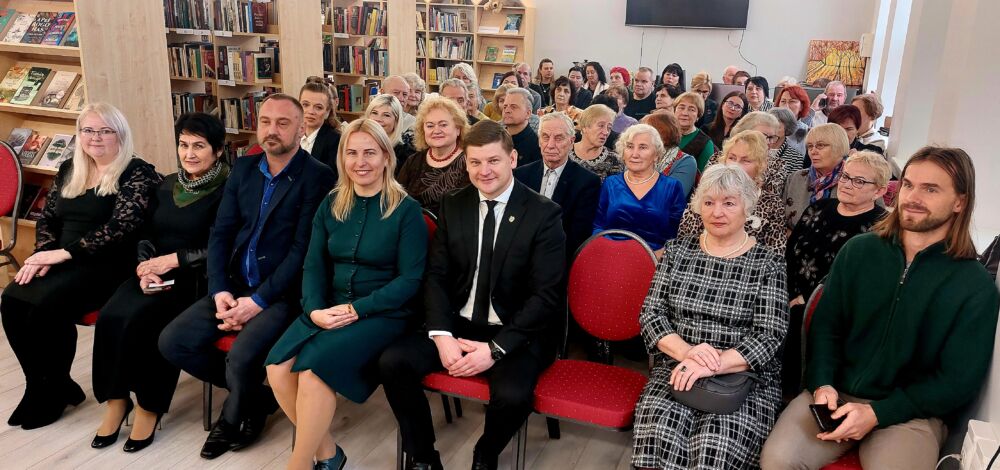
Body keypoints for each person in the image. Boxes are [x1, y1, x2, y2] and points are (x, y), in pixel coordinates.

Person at [760, 147, 999, 470]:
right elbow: (827, 328)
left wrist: (878, 413)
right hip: (837, 395)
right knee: (777, 460)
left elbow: (957, 380)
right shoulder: (860, 251)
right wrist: (823, 384)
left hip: (909, 413)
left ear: (960, 201)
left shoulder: (974, 284)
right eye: (909, 185)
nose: (913, 197)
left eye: (931, 189)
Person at [379, 120, 566, 470]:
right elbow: (436, 275)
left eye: (493, 161)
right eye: (475, 162)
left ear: (513, 159)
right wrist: (441, 334)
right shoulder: (455, 203)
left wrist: (495, 350)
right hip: (458, 323)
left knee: (512, 395)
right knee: (393, 363)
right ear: (465, 162)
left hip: (515, 331)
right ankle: (422, 457)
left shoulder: (544, 214)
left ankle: (486, 453)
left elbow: (546, 297)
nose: (484, 171)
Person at [158, 94, 337, 460]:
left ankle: (231, 419)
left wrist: (257, 302)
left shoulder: (317, 176)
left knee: (239, 358)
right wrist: (220, 288)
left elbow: (302, 251)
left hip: (283, 293)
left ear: (302, 129)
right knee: (172, 341)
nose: (272, 130)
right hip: (235, 284)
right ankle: (258, 399)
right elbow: (221, 233)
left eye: (283, 123)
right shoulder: (244, 169)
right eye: (266, 121)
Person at [265, 119, 428, 470]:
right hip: (329, 307)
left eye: (370, 152)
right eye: (351, 153)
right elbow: (313, 266)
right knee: (277, 369)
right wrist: (314, 311)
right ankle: (328, 454)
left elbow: (410, 280)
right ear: (342, 159)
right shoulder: (331, 204)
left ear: (386, 156)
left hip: (383, 312)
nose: (361, 162)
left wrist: (357, 309)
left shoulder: (406, 210)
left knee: (312, 373)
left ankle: (298, 464)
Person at [1, 103, 161, 430]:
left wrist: (63, 255)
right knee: (13, 301)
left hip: (108, 264)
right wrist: (44, 253)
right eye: (88, 130)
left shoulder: (136, 171)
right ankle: (45, 385)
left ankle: (53, 390)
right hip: (63, 258)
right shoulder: (69, 168)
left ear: (120, 135)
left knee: (44, 307)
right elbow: (48, 219)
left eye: (105, 130)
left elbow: (122, 227)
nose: (95, 137)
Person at [632, 164, 788, 470]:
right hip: (678, 366)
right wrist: (689, 353)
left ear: (747, 208)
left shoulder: (769, 262)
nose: (717, 212)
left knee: (715, 444)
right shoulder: (679, 252)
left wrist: (710, 363)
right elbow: (651, 314)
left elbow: (770, 334)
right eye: (709, 202)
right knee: (661, 429)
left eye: (729, 203)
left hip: (743, 377)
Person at [90, 112, 228, 452]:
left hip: (196, 278)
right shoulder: (166, 184)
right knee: (112, 315)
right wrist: (145, 265)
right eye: (183, 145)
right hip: (155, 271)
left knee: (148, 321)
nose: (190, 153)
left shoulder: (229, 189)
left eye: (199, 146)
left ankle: (150, 407)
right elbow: (146, 233)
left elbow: (223, 246)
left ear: (218, 151)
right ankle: (117, 400)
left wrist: (175, 261)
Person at [780, 152, 889, 397]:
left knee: (798, 325)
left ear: (879, 191)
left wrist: (806, 299)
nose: (848, 184)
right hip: (790, 294)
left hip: (832, 308)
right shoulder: (818, 207)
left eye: (859, 181)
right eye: (846, 176)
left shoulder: (881, 228)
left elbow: (861, 281)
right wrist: (787, 293)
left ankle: (796, 395)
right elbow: (791, 253)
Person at [678, 130, 788, 252]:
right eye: (732, 157)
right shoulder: (707, 192)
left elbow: (775, 253)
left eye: (746, 160)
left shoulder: (772, 204)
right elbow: (685, 239)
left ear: (760, 166)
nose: (736, 165)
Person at [515, 112, 601, 260]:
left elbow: (578, 236)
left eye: (559, 138)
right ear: (539, 140)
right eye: (545, 137)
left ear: (571, 141)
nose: (550, 145)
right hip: (519, 257)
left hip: (558, 261)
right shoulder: (520, 175)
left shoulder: (587, 182)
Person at [593, 124, 687, 256]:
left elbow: (677, 235)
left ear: (656, 154)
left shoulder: (672, 187)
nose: (634, 154)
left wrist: (660, 256)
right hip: (610, 257)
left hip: (654, 260)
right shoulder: (610, 183)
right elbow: (598, 226)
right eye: (630, 147)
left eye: (643, 147)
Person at [396, 96, 471, 215]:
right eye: (430, 126)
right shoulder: (413, 161)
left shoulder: (471, 162)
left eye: (443, 125)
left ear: (458, 129)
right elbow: (396, 200)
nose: (436, 130)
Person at [783, 123, 849, 229]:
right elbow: (779, 219)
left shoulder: (855, 180)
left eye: (820, 145)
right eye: (810, 146)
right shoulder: (796, 178)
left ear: (839, 147)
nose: (813, 151)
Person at [726, 111, 790, 196]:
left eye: (771, 137)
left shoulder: (777, 166)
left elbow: (770, 200)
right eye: (762, 136)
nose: (768, 142)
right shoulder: (720, 157)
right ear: (744, 133)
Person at [640, 112, 697, 197]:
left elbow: (671, 196)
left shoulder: (686, 162)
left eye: (646, 131)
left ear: (663, 133)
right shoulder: (637, 155)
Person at [299, 77, 342, 177]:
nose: (310, 111)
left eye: (318, 107)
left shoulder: (336, 140)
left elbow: (329, 180)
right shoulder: (290, 135)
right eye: (305, 105)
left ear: (327, 112)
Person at [569, 104, 622, 180]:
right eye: (601, 126)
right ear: (584, 127)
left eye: (609, 128)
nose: (606, 132)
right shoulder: (564, 153)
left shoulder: (614, 160)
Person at [364, 94, 415, 172]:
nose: (378, 119)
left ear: (396, 121)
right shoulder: (358, 145)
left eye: (386, 115)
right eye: (374, 113)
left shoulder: (405, 154)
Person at [672, 91, 716, 171]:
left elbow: (704, 176)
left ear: (698, 116)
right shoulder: (663, 133)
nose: (685, 113)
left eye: (691, 109)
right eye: (681, 107)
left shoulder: (705, 143)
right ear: (674, 111)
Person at [502, 87, 541, 165]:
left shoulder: (536, 146)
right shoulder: (496, 139)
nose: (507, 110)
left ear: (528, 113)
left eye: (513, 107)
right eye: (505, 107)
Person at [775, 84, 812, 153]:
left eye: (792, 101)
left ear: (801, 106)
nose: (786, 106)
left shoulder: (808, 133)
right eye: (783, 101)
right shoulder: (769, 127)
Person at [769, 107, 806, 174]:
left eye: (777, 126)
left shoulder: (796, 158)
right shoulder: (756, 148)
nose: (772, 130)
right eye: (769, 125)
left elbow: (792, 182)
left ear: (787, 128)